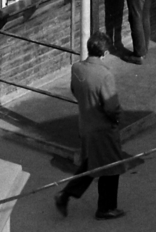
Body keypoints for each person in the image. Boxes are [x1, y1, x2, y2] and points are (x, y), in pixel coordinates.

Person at [56, 35, 129, 220]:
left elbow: (74, 90)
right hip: (103, 130)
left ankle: (65, 195)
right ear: (104, 53)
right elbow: (111, 106)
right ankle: (106, 208)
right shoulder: (105, 75)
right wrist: (118, 120)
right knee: (111, 168)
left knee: (91, 164)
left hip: (86, 124)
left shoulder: (77, 68)